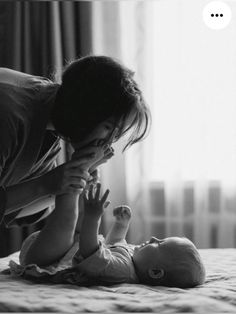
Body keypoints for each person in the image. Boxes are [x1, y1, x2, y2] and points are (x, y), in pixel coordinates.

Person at [0, 55, 150, 227]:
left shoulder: (49, 127)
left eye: (117, 134)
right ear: (86, 109)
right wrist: (44, 184)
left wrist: (73, 179)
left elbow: (12, 210)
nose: (108, 142)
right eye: (109, 127)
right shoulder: (9, 116)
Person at [10, 178, 206, 289]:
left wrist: (93, 217)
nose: (154, 237)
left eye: (159, 244)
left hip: (42, 258)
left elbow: (90, 251)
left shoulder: (121, 271)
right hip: (56, 247)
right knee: (68, 218)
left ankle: (71, 180)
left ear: (155, 272)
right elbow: (116, 242)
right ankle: (76, 181)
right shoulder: (131, 258)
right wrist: (122, 224)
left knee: (68, 215)